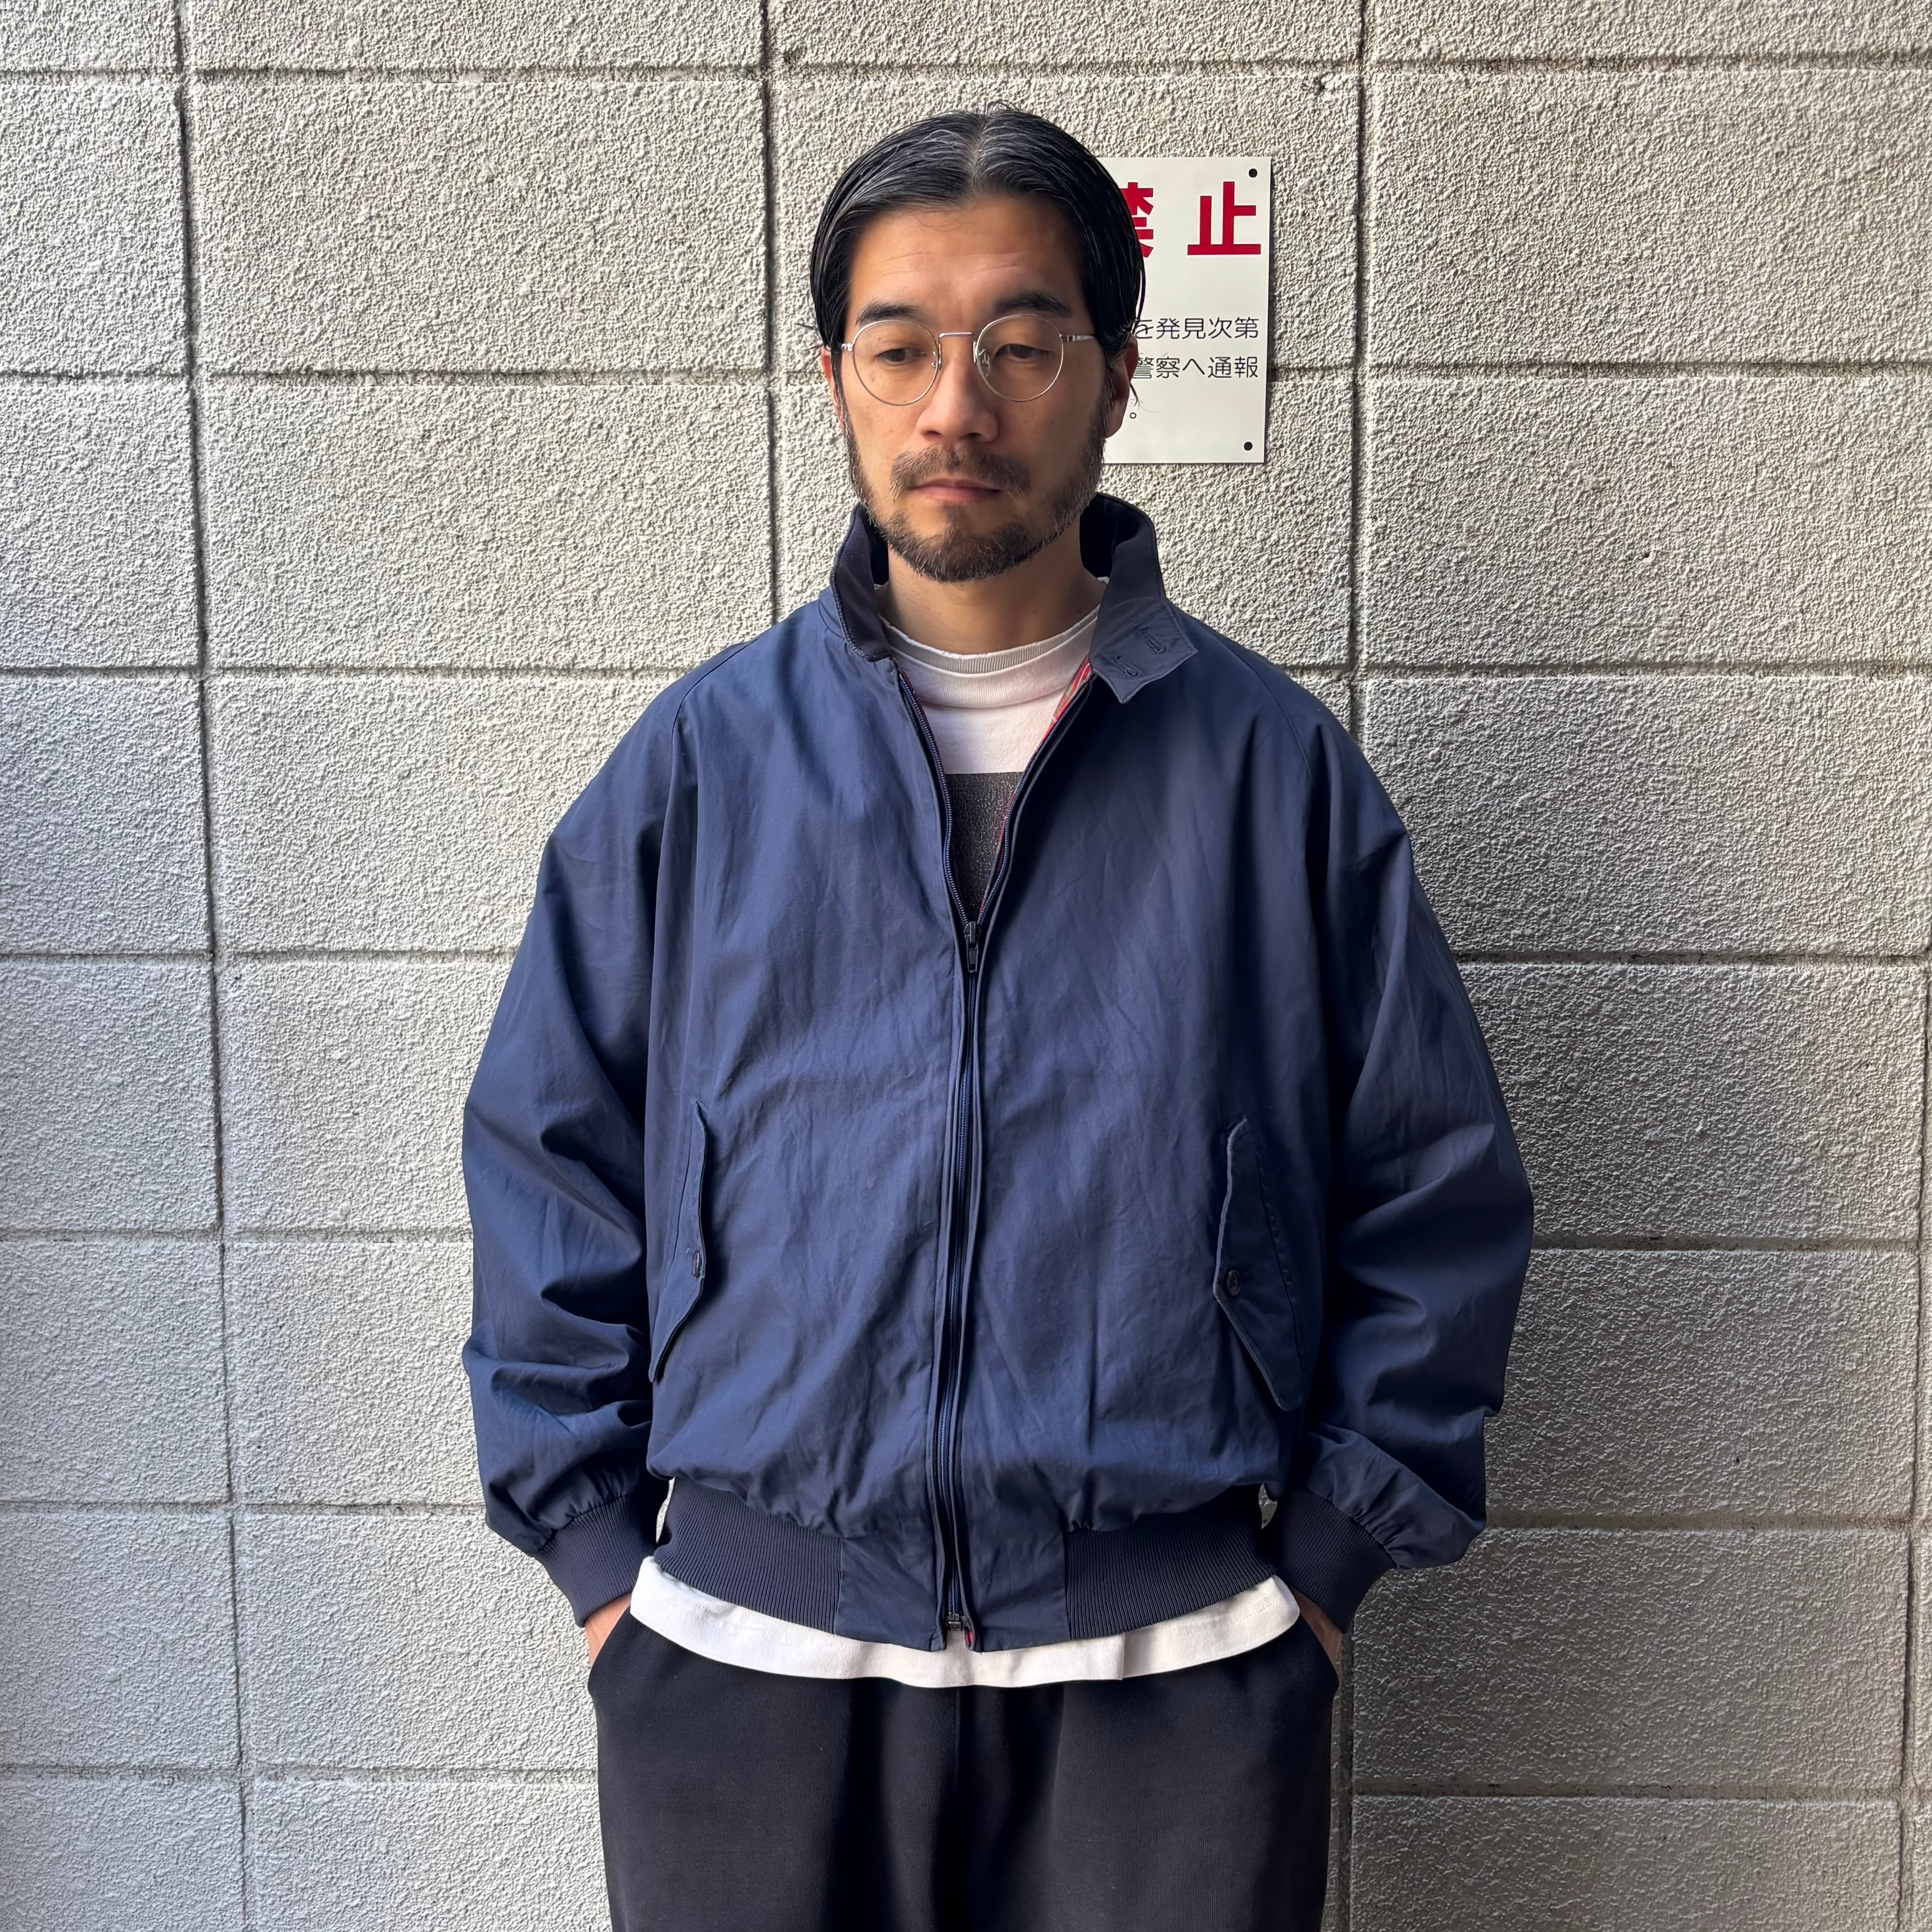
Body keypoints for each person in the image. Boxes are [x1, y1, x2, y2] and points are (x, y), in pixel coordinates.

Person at [461, 104, 1532, 1932]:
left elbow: (1436, 1191)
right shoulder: (700, 770)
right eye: (900, 347)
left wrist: (1322, 1581)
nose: (955, 404)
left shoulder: (1273, 778)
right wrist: (605, 1576)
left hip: (1172, 1684)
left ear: (1116, 376)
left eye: (1022, 345)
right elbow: (546, 1157)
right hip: (743, 1674)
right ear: (835, 380)